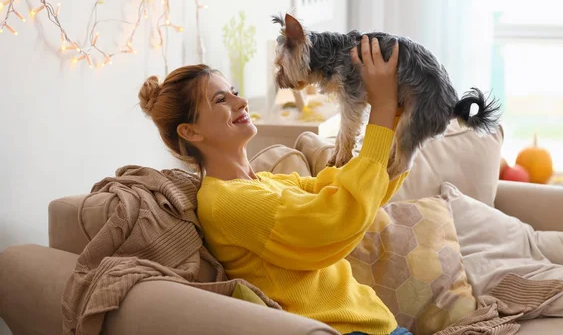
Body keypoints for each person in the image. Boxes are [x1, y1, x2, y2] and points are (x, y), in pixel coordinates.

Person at [138, 35, 411, 335]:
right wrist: (382, 109)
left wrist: (397, 115)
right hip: (342, 330)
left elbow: (352, 189)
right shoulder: (225, 202)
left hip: (376, 324)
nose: (241, 102)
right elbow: (339, 218)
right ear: (190, 131)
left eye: (234, 92)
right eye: (221, 100)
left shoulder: (265, 182)